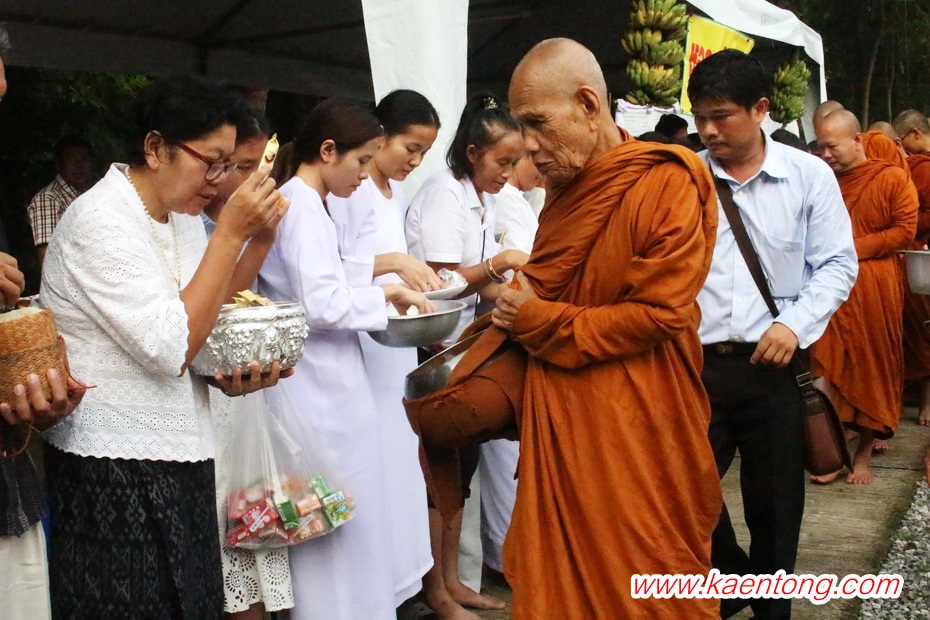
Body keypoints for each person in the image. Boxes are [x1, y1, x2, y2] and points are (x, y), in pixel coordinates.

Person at [39, 75, 285, 618]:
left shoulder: (179, 217)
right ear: (155, 148)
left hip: (185, 454)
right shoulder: (99, 220)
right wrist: (230, 234)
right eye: (212, 162)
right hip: (110, 463)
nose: (220, 181)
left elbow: (199, 323)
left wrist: (229, 372)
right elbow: (170, 345)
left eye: (229, 166)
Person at [493, 37, 722, 619]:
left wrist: (534, 317)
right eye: (521, 127)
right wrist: (523, 298)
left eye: (538, 123)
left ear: (589, 105)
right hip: (565, 429)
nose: (527, 145)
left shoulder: (667, 181)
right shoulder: (567, 188)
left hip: (641, 426)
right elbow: (552, 280)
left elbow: (660, 314)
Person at [689, 50, 857, 619]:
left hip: (775, 369)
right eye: (700, 117)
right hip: (696, 368)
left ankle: (770, 610)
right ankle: (736, 580)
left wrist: (793, 324)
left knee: (776, 510)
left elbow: (837, 264)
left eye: (721, 116)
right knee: (683, 492)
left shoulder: (808, 176)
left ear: (760, 109)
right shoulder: (684, 177)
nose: (709, 130)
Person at [257, 97, 434, 620]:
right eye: (360, 161)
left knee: (349, 513)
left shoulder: (311, 202)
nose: (363, 175)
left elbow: (328, 272)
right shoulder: (300, 204)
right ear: (328, 150)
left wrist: (385, 286)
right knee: (333, 519)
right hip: (316, 389)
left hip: (329, 382)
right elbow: (321, 303)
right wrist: (383, 297)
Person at [405, 93, 528, 620]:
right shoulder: (443, 194)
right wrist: (502, 264)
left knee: (461, 472)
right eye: (502, 161)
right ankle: (436, 591)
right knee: (438, 479)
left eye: (514, 162)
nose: (509, 173)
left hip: (460, 351)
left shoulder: (484, 198)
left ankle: (452, 581)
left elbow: (482, 286)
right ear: (473, 152)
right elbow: (440, 283)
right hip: (428, 349)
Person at [325, 89, 441, 613]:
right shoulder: (350, 190)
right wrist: (394, 263)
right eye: (409, 148)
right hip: (363, 342)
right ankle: (381, 587)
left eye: (423, 153)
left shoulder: (391, 191)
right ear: (380, 136)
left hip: (393, 342)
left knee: (399, 463)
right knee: (374, 466)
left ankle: (404, 582)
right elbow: (333, 267)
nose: (414, 162)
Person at [200, 106, 295, 618]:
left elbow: (235, 296)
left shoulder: (233, 220)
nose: (250, 178)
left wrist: (262, 238)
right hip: (205, 398)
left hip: (241, 396)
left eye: (261, 166)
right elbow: (210, 307)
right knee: (220, 543)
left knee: (248, 534)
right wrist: (247, 237)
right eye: (239, 165)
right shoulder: (192, 220)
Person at [812, 110, 918, 484]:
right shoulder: (821, 181)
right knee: (825, 368)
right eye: (821, 147)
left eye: (832, 146)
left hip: (875, 284)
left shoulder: (891, 178)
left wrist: (852, 249)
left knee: (873, 366)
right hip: (829, 287)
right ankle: (832, 453)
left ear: (857, 140)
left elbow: (904, 231)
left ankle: (863, 457)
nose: (825, 154)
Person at [479, 150, 540, 577]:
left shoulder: (520, 199)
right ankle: (506, 558)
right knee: (504, 457)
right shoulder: (503, 201)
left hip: (522, 331)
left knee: (514, 456)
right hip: (504, 334)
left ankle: (514, 554)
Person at [893, 109, 930, 425]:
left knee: (924, 329)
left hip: (921, 252)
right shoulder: (909, 167)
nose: (900, 148)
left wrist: (904, 221)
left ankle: (926, 402)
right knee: (909, 329)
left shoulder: (924, 168)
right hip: (910, 255)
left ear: (916, 133)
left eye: (901, 140)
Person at [27, 135, 93, 268]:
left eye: (84, 158)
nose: (78, 165)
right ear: (59, 164)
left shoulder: (89, 194)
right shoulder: (48, 199)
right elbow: (48, 258)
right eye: (71, 158)